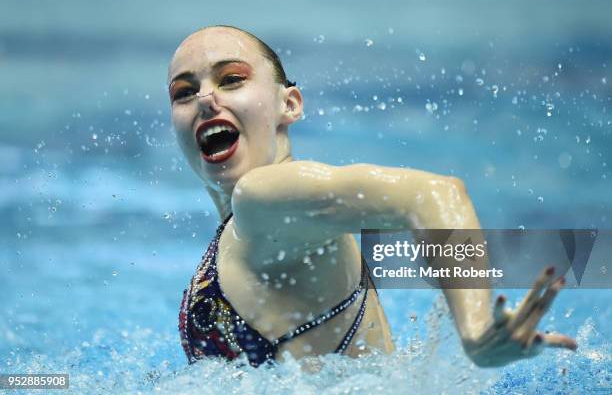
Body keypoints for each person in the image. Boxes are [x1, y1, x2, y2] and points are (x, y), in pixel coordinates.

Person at [169, 25, 577, 368]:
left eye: (232, 79)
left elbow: (432, 194)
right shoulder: (260, 222)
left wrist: (477, 334)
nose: (205, 98)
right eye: (184, 92)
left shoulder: (262, 198)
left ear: (289, 104)